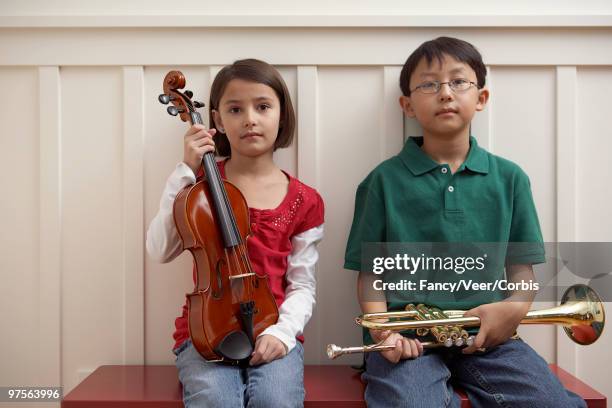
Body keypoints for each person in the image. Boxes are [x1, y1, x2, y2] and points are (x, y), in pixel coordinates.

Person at [344, 37, 585, 407]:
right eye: (428, 84)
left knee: (553, 403)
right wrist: (382, 334)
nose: (445, 93)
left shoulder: (511, 179)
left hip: (492, 340)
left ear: (481, 98)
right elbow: (370, 277)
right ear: (407, 105)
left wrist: (515, 308)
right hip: (409, 341)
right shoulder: (382, 181)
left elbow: (522, 273)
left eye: (459, 82)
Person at [147, 58, 324, 408]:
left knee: (276, 400)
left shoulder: (305, 200)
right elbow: (160, 249)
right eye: (235, 109)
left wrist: (283, 332)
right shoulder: (197, 190)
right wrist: (186, 169)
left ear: (282, 115)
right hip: (207, 332)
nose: (250, 119)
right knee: (215, 399)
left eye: (262, 107)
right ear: (217, 120)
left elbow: (302, 284)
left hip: (273, 328)